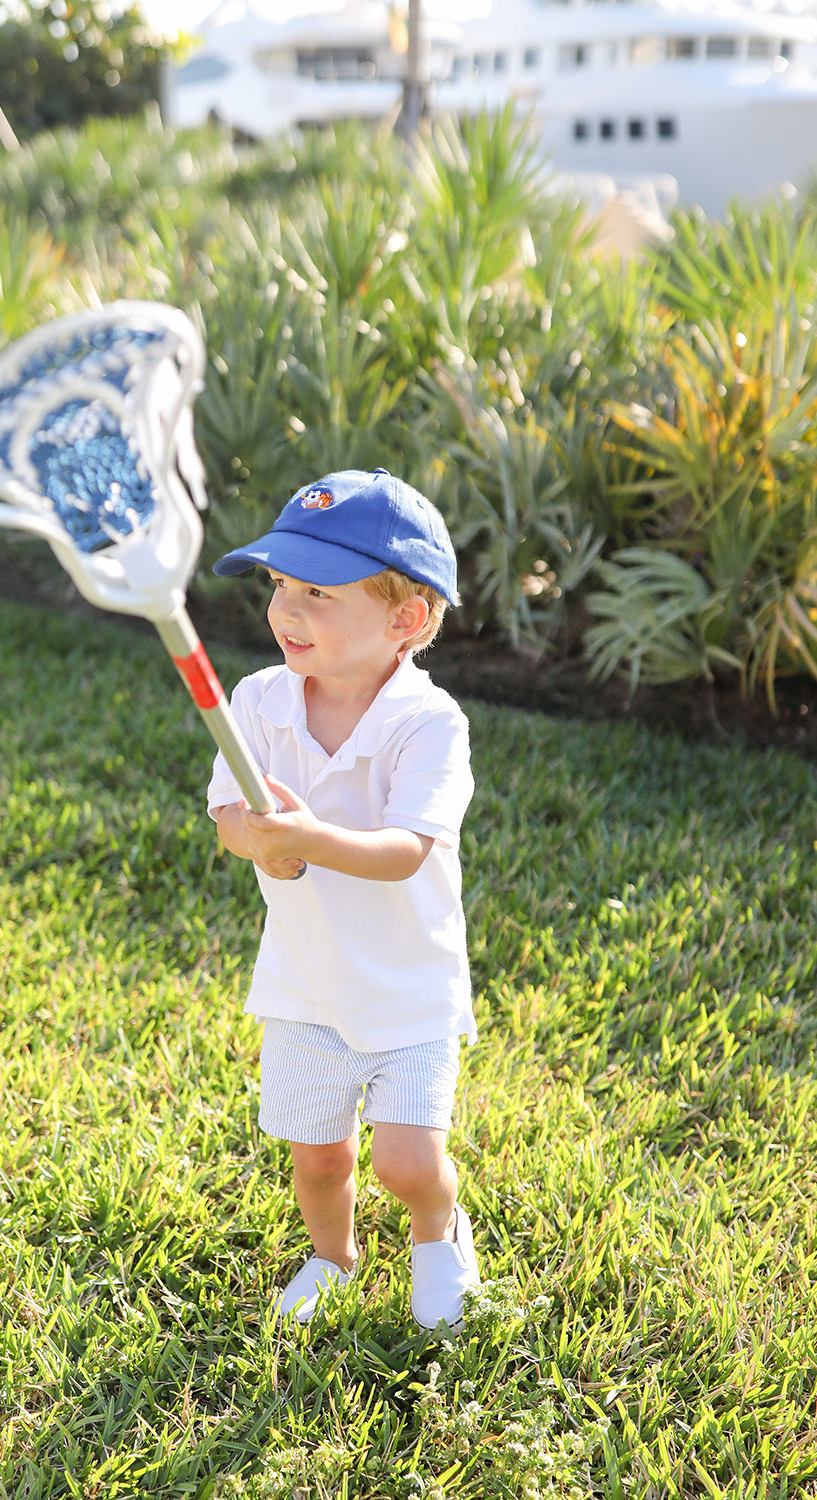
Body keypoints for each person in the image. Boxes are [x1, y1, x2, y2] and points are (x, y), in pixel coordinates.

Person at [206, 467, 481, 1330]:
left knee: (406, 1160)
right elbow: (226, 814)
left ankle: (438, 1229)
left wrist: (307, 841)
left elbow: (406, 851)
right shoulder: (257, 700)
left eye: (318, 592)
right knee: (317, 1158)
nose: (286, 610)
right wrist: (258, 843)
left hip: (408, 985)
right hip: (306, 981)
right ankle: (334, 1256)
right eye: (280, 584)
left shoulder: (428, 724)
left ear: (407, 619)